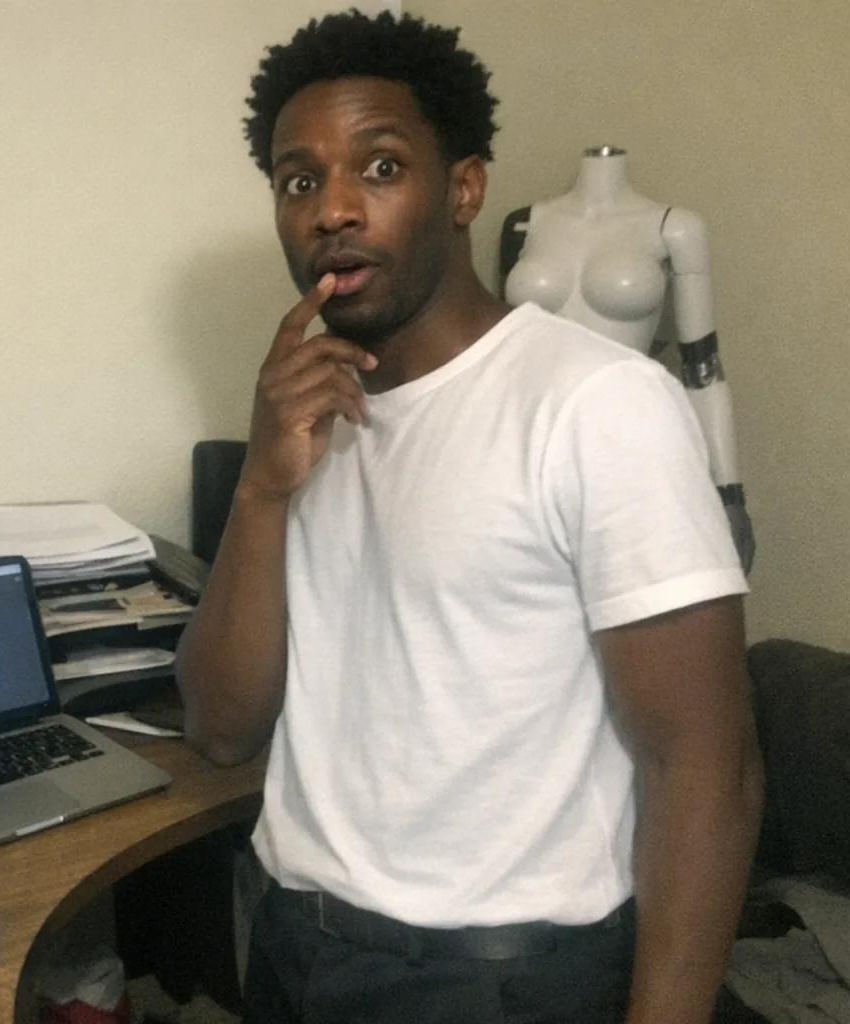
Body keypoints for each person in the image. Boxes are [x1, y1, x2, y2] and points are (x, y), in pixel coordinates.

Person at [174, 10, 763, 1024]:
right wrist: (265, 487)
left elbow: (708, 766)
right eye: (299, 180)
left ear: (464, 190)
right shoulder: (307, 418)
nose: (333, 211)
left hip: (495, 985)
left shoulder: (594, 404)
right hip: (291, 947)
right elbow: (221, 728)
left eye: (382, 167)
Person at [501, 145, 755, 571]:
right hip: (529, 446)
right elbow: (503, 351)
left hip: (626, 444)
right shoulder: (523, 225)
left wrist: (728, 494)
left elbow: (703, 368)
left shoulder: (676, 228)